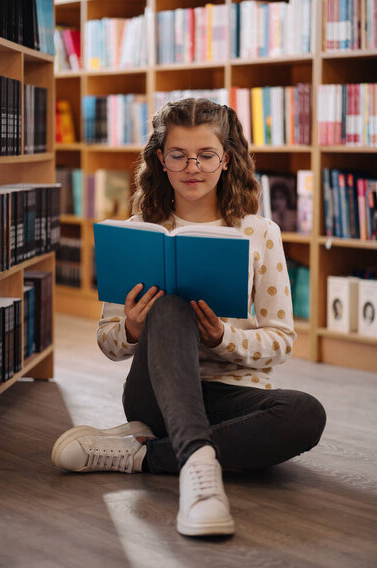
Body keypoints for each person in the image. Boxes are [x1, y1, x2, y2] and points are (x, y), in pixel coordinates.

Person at [51, 98, 327, 537]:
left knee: (306, 413)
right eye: (178, 155)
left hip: (230, 398)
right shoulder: (139, 231)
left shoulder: (259, 232)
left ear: (226, 159)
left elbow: (281, 341)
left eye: (205, 155)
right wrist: (134, 328)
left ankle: (142, 455)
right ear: (161, 160)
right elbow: (108, 342)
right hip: (155, 397)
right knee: (171, 306)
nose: (192, 166)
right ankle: (200, 473)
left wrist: (223, 338)